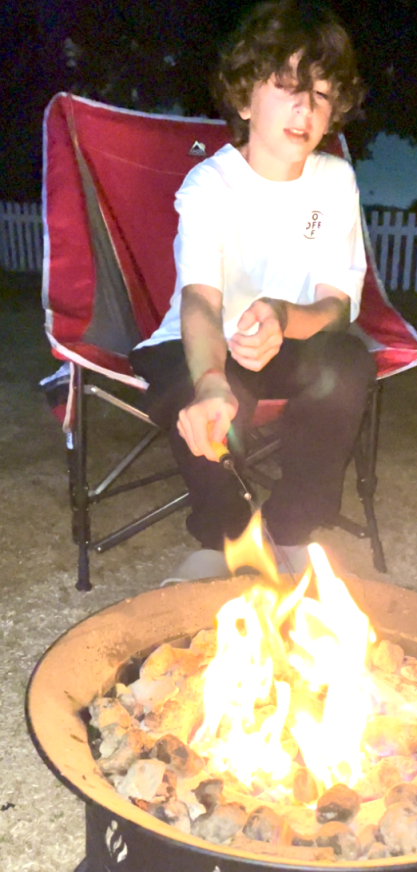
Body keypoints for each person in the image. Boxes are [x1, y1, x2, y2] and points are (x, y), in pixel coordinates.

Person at [130, 0, 374, 581]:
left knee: (346, 360)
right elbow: (200, 300)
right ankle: (224, 542)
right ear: (244, 100)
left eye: (320, 92)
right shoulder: (211, 185)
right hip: (200, 341)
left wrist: (285, 318)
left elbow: (336, 305)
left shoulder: (334, 181)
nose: (305, 107)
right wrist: (211, 380)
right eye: (287, 85)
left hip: (287, 342)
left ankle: (288, 529)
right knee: (210, 390)